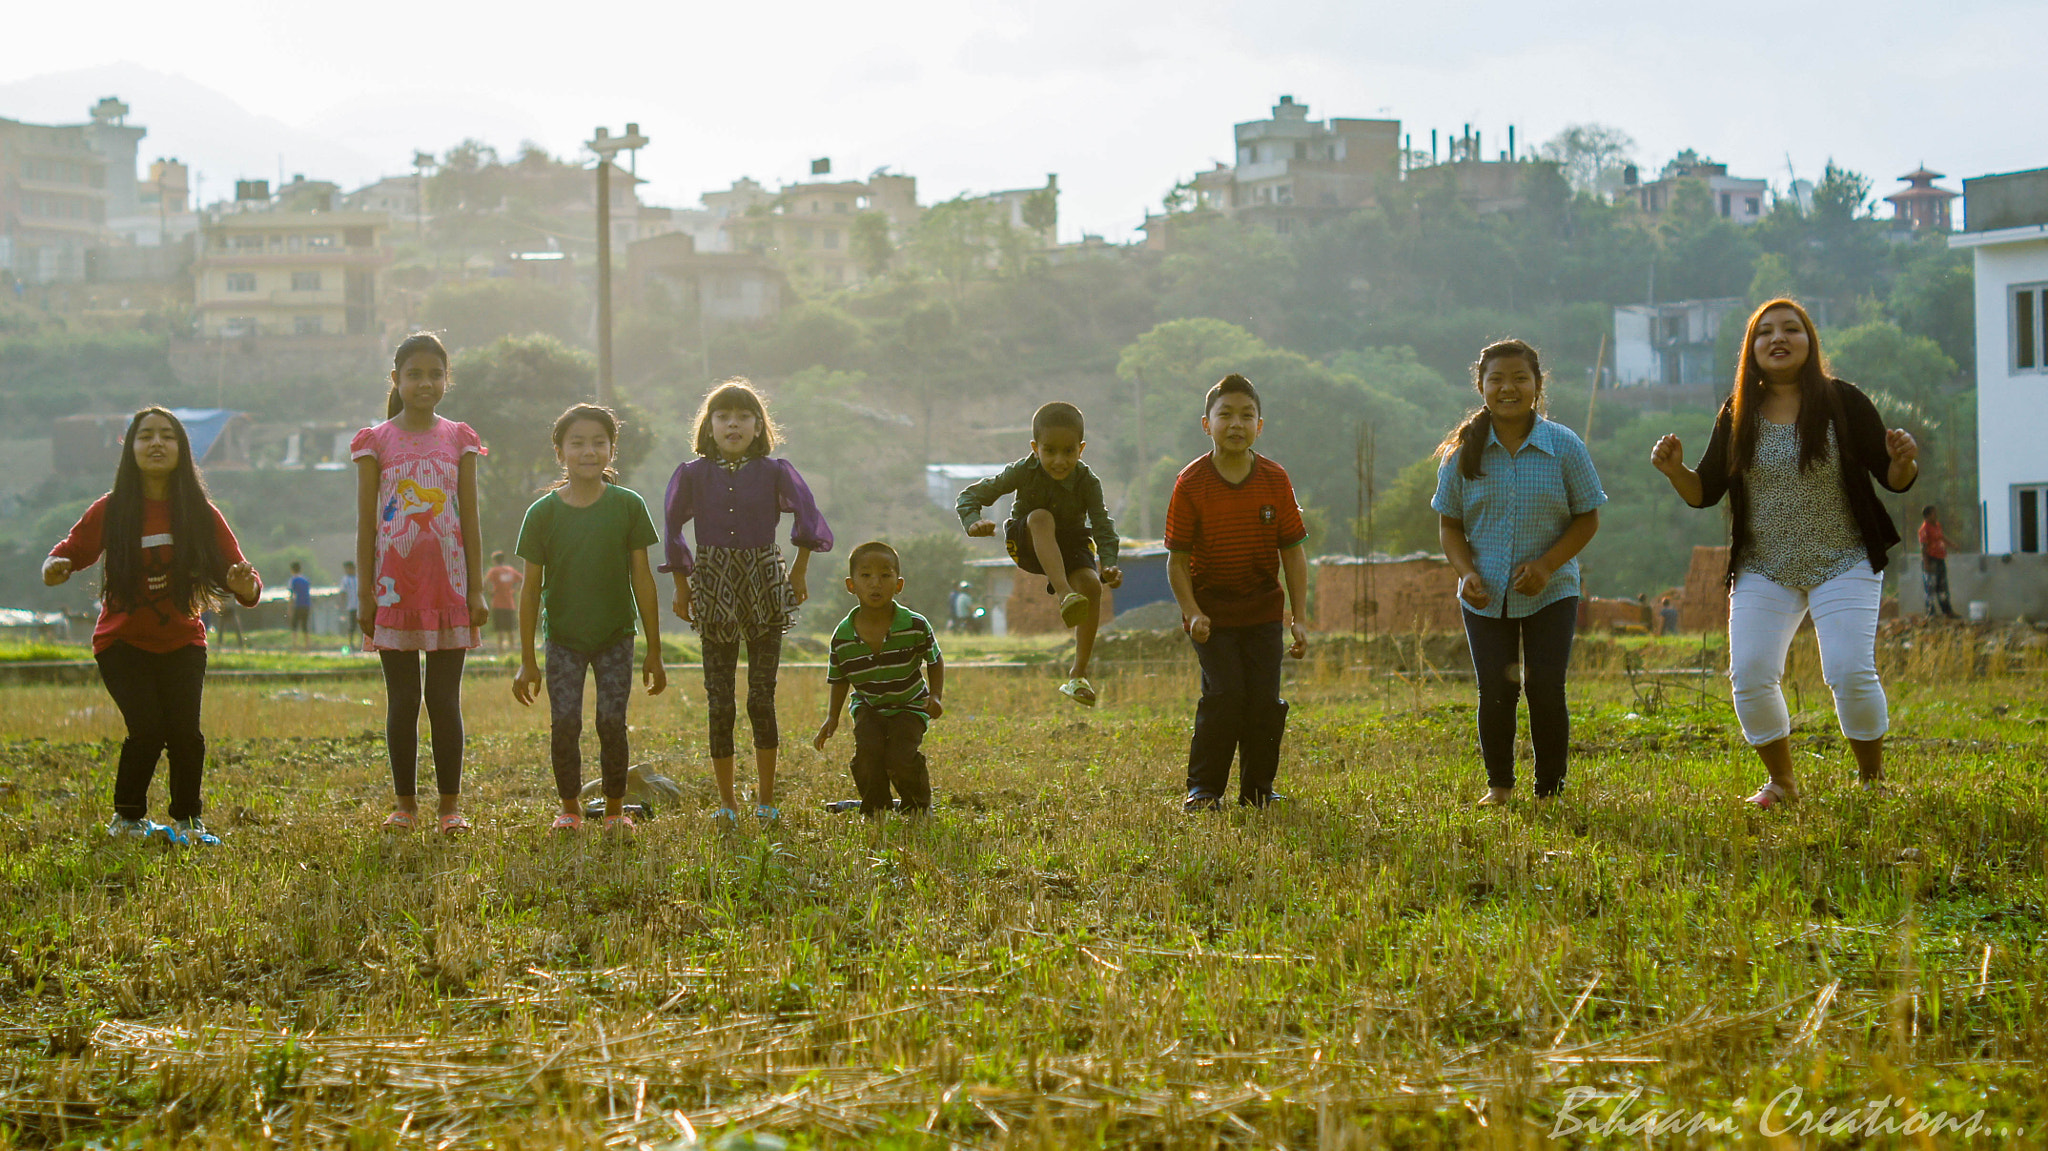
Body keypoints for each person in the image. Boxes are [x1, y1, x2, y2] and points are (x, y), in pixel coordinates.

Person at [1651, 298, 1919, 805]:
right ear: (1750, 349)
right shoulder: (1736, 412)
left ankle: (1871, 781)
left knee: (1848, 670)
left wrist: (1903, 460)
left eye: (1791, 330)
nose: (1778, 339)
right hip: (1764, 567)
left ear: (1809, 340)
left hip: (1845, 559)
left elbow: (1893, 479)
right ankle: (1783, 783)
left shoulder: (1843, 401)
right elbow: (1704, 491)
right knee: (1749, 673)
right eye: (1765, 332)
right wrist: (1673, 470)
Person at [44, 407, 262, 844]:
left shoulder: (200, 513)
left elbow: (242, 579)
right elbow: (68, 552)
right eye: (146, 436)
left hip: (182, 639)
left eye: (168, 436)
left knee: (185, 734)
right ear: (131, 448)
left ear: (182, 449)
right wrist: (57, 565)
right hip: (121, 641)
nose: (157, 443)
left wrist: (245, 585)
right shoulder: (112, 509)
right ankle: (127, 819)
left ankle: (188, 821)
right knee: (147, 729)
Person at [1433, 340, 1606, 806]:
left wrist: (1547, 566)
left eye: (1519, 379)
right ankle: (1500, 788)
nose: (1508, 388)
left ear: (1537, 385)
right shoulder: (1461, 454)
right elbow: (1449, 528)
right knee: (1495, 690)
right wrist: (1466, 573)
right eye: (1497, 380)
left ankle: (1549, 791)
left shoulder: (1564, 446)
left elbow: (1587, 517)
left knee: (1545, 687)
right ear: (1481, 386)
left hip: (1553, 591)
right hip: (1485, 594)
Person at [661, 378, 832, 824]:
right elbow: (674, 529)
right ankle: (726, 804)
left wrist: (798, 571)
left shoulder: (776, 472)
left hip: (764, 580)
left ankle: (766, 800)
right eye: (723, 416)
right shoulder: (692, 474)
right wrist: (683, 587)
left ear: (758, 426)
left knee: (762, 696)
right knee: (719, 699)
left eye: (742, 417)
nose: (732, 424)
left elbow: (809, 519)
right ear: (709, 425)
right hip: (713, 581)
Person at [353, 331, 489, 834]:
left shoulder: (460, 438)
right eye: (414, 374)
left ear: (446, 380)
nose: (425, 382)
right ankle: (405, 805)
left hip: (449, 588)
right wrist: (366, 592)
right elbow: (366, 523)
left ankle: (449, 807)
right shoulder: (376, 441)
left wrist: (475, 588)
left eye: (435, 373)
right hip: (393, 590)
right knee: (404, 700)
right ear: (396, 380)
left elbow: (469, 518)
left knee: (444, 700)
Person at [512, 404, 667, 833]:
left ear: (611, 450)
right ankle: (569, 809)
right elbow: (529, 591)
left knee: (611, 722)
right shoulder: (541, 514)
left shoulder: (628, 506)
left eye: (599, 442)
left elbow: (643, 580)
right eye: (577, 443)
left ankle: (615, 811)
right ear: (560, 451)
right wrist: (528, 659)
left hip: (616, 635)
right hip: (563, 637)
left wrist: (654, 650)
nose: (588, 451)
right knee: (564, 722)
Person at [1165, 374, 1310, 811]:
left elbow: (1293, 553)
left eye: (1246, 415)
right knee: (1225, 694)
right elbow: (1175, 561)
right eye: (1224, 414)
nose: (1236, 423)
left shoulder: (1274, 478)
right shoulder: (1190, 483)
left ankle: (1258, 790)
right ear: (1206, 424)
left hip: (1263, 610)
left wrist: (1299, 617)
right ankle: (1203, 790)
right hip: (1211, 615)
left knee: (1264, 701)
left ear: (1260, 426)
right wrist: (1191, 613)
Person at [956, 401, 1122, 705]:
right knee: (1041, 517)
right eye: (1050, 451)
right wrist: (973, 522)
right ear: (1035, 448)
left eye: (1069, 452)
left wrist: (1109, 564)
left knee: (1091, 585)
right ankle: (1063, 594)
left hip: (1070, 542)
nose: (1059, 461)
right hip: (1028, 540)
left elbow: (1102, 525)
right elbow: (970, 495)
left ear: (1081, 449)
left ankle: (1078, 676)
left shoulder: (1088, 482)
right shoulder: (1023, 470)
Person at [814, 542, 945, 815]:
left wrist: (935, 696)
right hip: (868, 706)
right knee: (867, 756)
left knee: (900, 757)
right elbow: (840, 679)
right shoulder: (842, 636)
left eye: (885, 575)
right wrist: (832, 717)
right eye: (866, 576)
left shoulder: (915, 626)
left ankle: (918, 807)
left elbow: (934, 660)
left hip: (910, 705)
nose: (876, 584)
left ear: (899, 584)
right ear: (851, 585)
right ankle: (876, 810)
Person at [1919, 505, 1958, 619]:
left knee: (1942, 586)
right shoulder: (1924, 529)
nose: (1936, 515)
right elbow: (1923, 547)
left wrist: (1952, 545)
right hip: (1931, 560)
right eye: (1933, 513)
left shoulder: (1937, 526)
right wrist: (1926, 563)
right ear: (1928, 516)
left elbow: (1941, 538)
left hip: (1940, 558)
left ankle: (1947, 611)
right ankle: (1930, 612)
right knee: (1930, 587)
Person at [484, 551, 523, 652]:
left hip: (497, 602)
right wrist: (515, 590)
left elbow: (486, 582)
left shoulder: (494, 571)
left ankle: (500, 651)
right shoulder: (510, 570)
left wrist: (490, 592)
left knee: (500, 628)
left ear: (494, 561)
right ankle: (512, 650)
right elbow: (521, 579)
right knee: (510, 628)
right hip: (509, 603)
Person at [287, 561, 313, 650]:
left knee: (294, 625)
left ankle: (295, 645)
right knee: (305, 625)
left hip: (298, 605)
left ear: (292, 570)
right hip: (306, 605)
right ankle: (307, 645)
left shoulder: (293, 580)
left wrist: (290, 607)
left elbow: (292, 595)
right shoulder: (306, 580)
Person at [339, 560, 359, 642]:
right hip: (351, 606)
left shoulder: (358, 578)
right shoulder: (345, 580)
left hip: (360, 605)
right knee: (352, 625)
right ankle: (351, 642)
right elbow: (343, 593)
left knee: (362, 625)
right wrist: (342, 604)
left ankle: (362, 643)